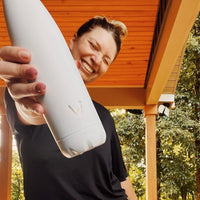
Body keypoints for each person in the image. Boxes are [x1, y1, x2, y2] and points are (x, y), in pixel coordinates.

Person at [0, 16, 138, 200]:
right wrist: (33, 99)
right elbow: (29, 113)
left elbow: (121, 178)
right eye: (94, 46)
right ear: (73, 40)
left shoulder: (103, 117)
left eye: (106, 60)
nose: (97, 59)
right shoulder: (24, 95)